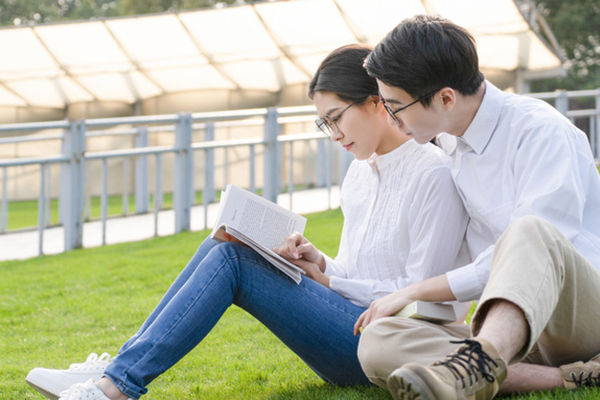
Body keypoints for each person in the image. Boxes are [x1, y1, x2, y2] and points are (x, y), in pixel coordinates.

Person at [25, 44, 468, 400]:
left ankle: (114, 387)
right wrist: (321, 265)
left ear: (376, 102)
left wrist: (331, 284)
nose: (333, 135)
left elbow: (418, 299)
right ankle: (116, 369)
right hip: (349, 326)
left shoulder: (432, 174)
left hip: (390, 346)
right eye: (323, 124)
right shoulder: (359, 173)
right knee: (221, 244)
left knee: (234, 261)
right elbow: (358, 274)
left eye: (336, 119)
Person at [354, 14, 600, 400]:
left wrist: (415, 289)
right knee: (379, 341)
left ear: (446, 98)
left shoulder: (541, 132)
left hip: (574, 314)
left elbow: (533, 255)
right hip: (512, 330)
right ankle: (567, 378)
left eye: (395, 105)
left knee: (528, 230)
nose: (390, 117)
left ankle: (477, 363)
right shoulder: (451, 143)